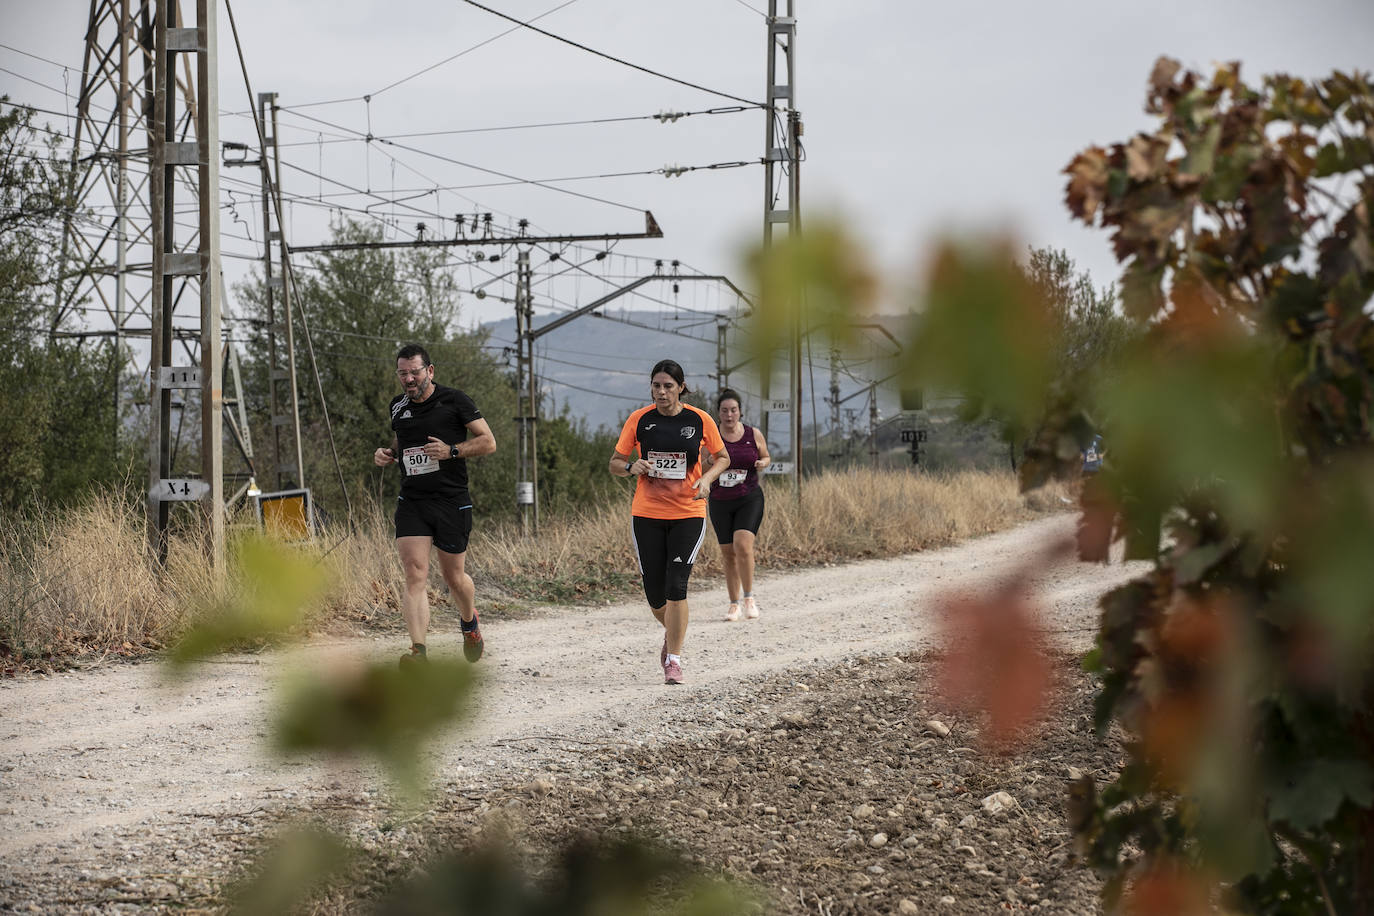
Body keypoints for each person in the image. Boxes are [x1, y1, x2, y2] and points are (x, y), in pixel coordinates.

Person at [373, 344, 496, 669]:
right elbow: (403, 440)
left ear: (430, 371)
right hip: (413, 501)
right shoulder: (397, 407)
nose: (409, 379)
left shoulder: (455, 400)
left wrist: (452, 451)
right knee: (414, 573)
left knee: (454, 579)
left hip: (451, 501)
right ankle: (419, 652)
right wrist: (388, 453)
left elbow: (488, 441)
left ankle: (469, 623)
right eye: (403, 373)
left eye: (415, 372)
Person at [610, 359, 730, 685]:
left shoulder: (700, 419)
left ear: (680, 388)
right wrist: (630, 468)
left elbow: (723, 458)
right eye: (656, 386)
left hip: (688, 512)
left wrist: (706, 480)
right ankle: (672, 633)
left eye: (667, 386)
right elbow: (615, 462)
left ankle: (673, 659)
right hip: (647, 513)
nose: (661, 392)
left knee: (677, 586)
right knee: (655, 595)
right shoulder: (639, 420)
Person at [706, 389, 771, 621]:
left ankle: (749, 598)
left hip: (749, 497)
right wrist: (706, 464)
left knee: (742, 546)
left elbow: (766, 456)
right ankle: (733, 604)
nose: (729, 415)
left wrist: (762, 462)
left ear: (740, 412)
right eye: (724, 411)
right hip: (720, 500)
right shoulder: (711, 436)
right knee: (727, 553)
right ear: (719, 414)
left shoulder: (753, 434)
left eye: (733, 410)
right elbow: (702, 468)